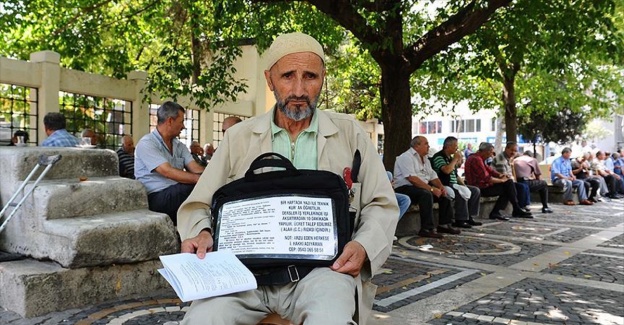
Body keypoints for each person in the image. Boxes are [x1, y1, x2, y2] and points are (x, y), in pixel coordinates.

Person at [176, 32, 398, 325]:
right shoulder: (238, 138)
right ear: (270, 80)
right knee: (204, 319)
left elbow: (381, 204)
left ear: (323, 77)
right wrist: (201, 233)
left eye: (310, 76)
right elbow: (198, 205)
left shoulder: (350, 133)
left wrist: (363, 246)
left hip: (323, 273)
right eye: (287, 76)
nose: (299, 89)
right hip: (245, 275)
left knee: (329, 319)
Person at [134, 101, 205, 225]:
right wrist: (201, 180)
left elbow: (195, 168)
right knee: (195, 188)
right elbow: (167, 171)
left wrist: (214, 173)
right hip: (156, 197)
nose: (183, 126)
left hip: (176, 192)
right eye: (181, 122)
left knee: (208, 189)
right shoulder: (147, 143)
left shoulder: (180, 145)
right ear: (170, 121)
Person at [394, 136, 461, 238]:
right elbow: (412, 179)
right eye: (426, 144)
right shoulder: (406, 157)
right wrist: (431, 189)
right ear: (417, 146)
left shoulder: (425, 159)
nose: (428, 146)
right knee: (426, 194)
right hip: (405, 187)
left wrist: (441, 187)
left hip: (420, 187)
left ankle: (444, 224)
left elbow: (432, 176)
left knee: (444, 195)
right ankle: (426, 228)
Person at [464, 142, 533, 220]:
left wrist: (500, 175)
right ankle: (510, 210)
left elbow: (490, 170)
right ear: (487, 151)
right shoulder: (476, 159)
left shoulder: (479, 158)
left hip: (484, 185)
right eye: (491, 152)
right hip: (479, 187)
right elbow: (486, 178)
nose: (492, 155)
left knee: (509, 185)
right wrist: (502, 181)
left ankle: (511, 209)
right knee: (508, 186)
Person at [431, 136, 482, 228]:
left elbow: (455, 175)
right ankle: (460, 219)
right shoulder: (439, 157)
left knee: (475, 191)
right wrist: (455, 159)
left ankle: (469, 216)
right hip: (445, 184)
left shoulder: (450, 158)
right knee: (459, 192)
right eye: (455, 146)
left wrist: (464, 185)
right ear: (448, 146)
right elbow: (446, 170)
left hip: (454, 183)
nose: (457, 148)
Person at [493, 142, 531, 212]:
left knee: (524, 185)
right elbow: (503, 175)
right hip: (498, 182)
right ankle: (518, 208)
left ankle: (522, 207)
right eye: (511, 150)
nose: (513, 152)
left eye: (515, 151)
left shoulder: (508, 158)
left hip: (506, 181)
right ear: (506, 149)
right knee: (519, 187)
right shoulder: (501, 159)